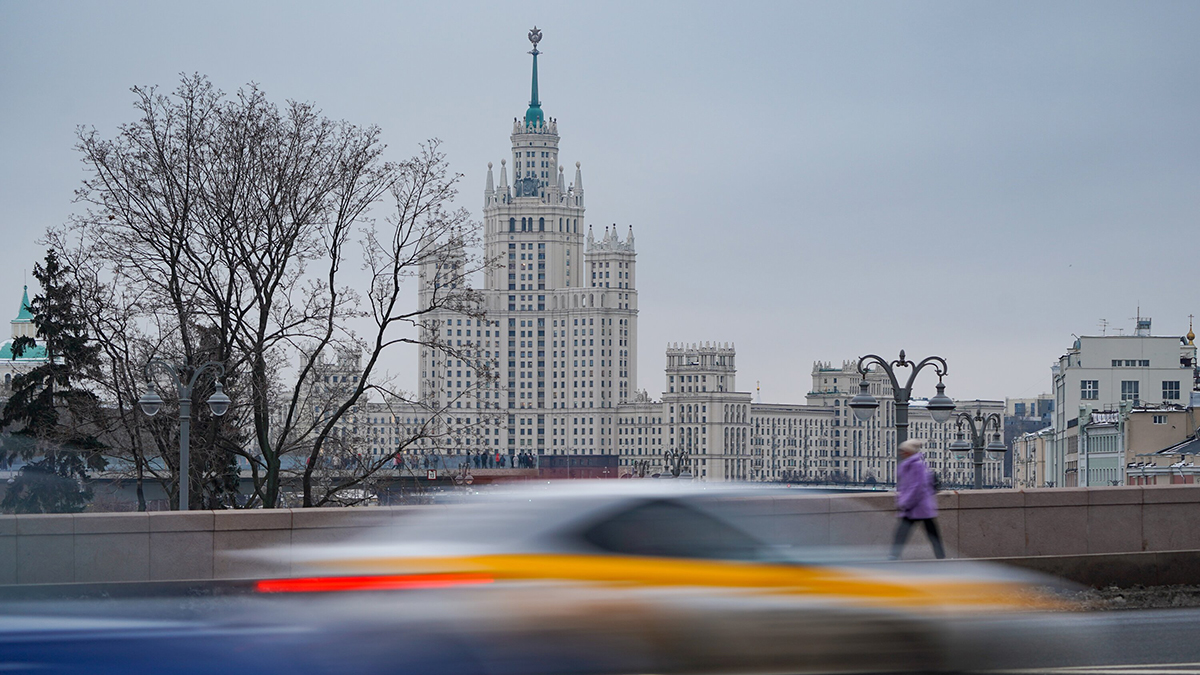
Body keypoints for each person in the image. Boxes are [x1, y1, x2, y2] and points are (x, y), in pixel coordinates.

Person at [890, 439, 946, 560]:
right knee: (931, 533)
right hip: (917, 506)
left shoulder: (917, 465)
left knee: (907, 532)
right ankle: (941, 557)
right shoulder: (909, 465)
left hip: (918, 506)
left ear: (909, 452)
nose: (901, 453)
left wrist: (905, 502)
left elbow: (917, 486)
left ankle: (894, 555)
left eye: (903, 451)